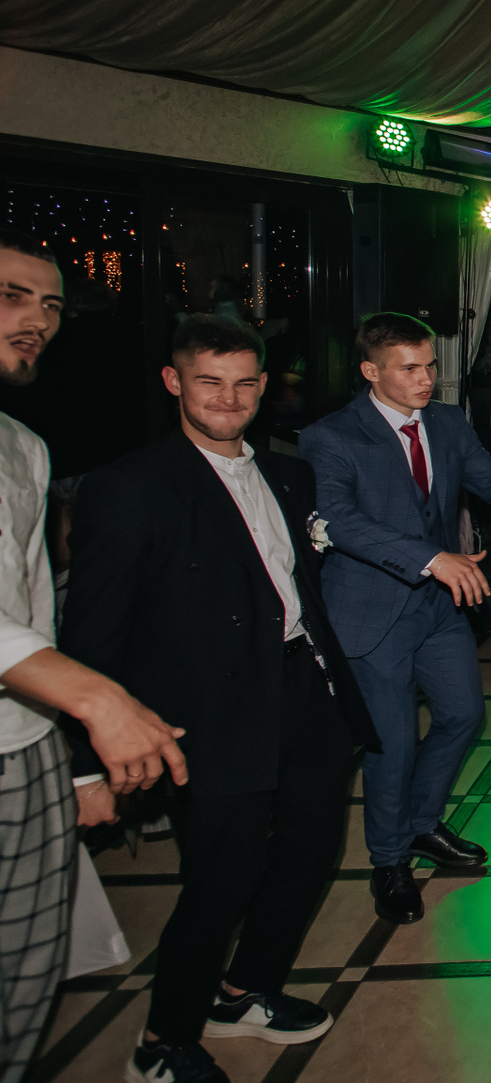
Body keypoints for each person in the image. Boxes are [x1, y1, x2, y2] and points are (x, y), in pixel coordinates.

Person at [64, 317, 381, 1083]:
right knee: (223, 878)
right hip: (207, 714)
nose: (228, 398)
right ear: (174, 382)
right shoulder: (130, 486)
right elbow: (90, 635)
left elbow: (294, 588)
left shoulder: (289, 475)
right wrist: (85, 766)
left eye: (244, 383)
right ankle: (164, 1040)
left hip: (303, 689)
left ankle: (245, 993)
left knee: (312, 849)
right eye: (209, 382)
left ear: (263, 387)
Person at [0, 232, 190, 1081]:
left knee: (27, 971)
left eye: (48, 304)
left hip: (28, 743)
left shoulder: (22, 445)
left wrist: (72, 762)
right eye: (12, 296)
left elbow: (33, 604)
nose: (37, 320)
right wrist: (98, 700)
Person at [301, 314, 491, 925]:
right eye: (410, 368)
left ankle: (420, 824)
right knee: (391, 743)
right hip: (371, 611)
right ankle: (389, 861)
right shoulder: (331, 436)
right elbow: (339, 520)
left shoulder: (445, 422)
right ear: (371, 371)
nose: (426, 379)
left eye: (431, 366)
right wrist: (431, 557)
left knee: (463, 715)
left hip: (438, 608)